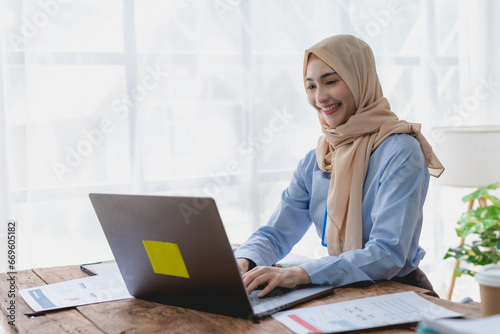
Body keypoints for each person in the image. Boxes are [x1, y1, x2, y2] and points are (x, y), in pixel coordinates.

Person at [234, 34, 444, 298]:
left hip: (398, 292)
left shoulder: (401, 150)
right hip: (340, 291)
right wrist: (245, 261)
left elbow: (388, 252)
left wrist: (300, 274)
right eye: (310, 86)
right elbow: (277, 232)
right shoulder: (317, 158)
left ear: (360, 80)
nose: (320, 97)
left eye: (331, 81)